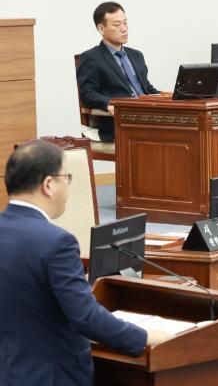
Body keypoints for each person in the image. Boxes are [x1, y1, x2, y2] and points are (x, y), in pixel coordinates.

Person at [0, 140, 171, 385]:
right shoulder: (57, 243)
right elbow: (85, 317)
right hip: (52, 376)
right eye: (66, 178)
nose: (68, 187)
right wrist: (144, 336)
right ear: (48, 184)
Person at [77, 1, 159, 142]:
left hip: (148, 117)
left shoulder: (136, 55)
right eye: (117, 25)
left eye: (125, 23)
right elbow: (87, 94)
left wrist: (171, 97)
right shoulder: (91, 58)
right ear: (101, 29)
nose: (124, 29)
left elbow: (146, 88)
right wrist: (109, 104)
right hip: (120, 123)